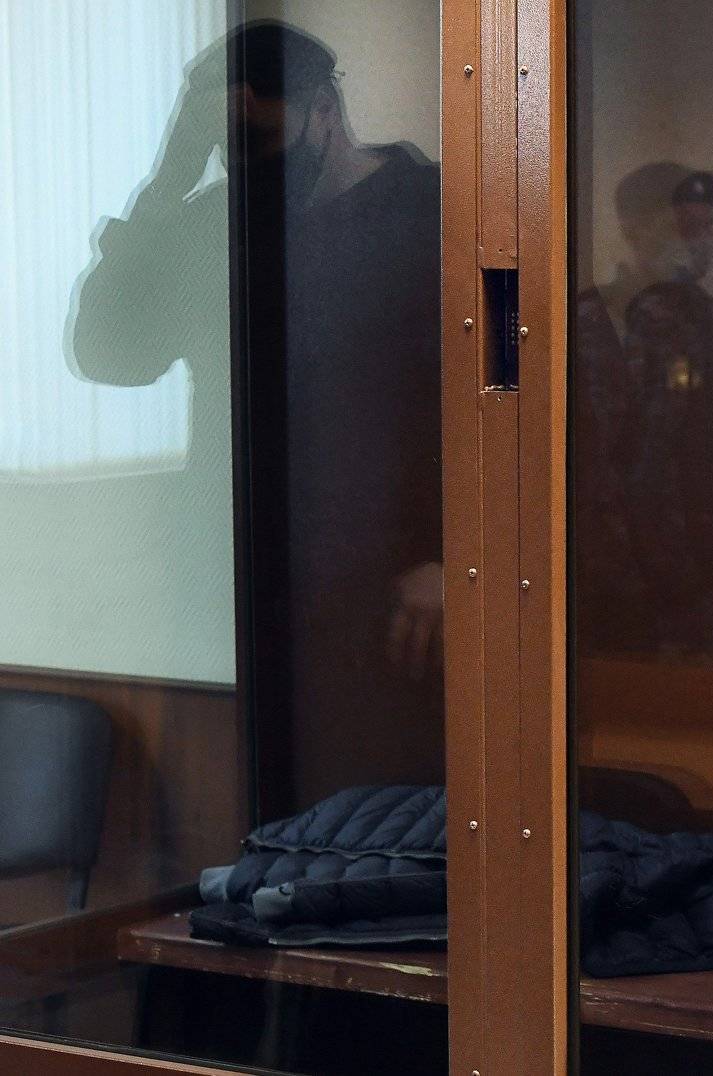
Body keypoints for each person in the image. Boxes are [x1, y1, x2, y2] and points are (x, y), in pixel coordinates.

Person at [70, 20, 443, 805]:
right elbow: (111, 355)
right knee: (239, 817)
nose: (245, 159)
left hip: (394, 599)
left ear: (325, 112)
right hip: (237, 585)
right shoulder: (217, 222)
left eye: (261, 134)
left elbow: (508, 399)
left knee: (379, 824)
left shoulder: (437, 211)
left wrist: (452, 553)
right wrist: (167, 183)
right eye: (223, 142)